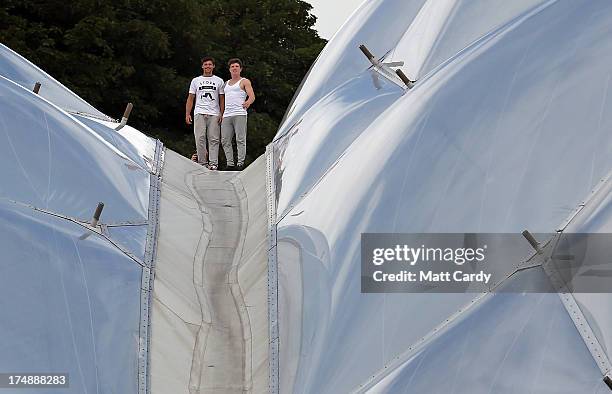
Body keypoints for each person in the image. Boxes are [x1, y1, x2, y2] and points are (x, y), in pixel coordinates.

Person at [185, 57, 225, 170]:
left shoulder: (219, 81)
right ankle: (202, 163)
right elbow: (190, 98)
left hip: (214, 113)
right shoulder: (196, 80)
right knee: (200, 137)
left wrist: (221, 113)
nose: (207, 66)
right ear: (202, 66)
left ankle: (213, 164)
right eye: (205, 64)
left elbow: (222, 98)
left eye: (210, 64)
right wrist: (188, 113)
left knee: (214, 138)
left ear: (213, 66)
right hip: (199, 112)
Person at [220, 58, 255, 170]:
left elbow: (252, 96)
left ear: (240, 69)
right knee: (225, 140)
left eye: (236, 66)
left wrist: (248, 102)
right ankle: (230, 163)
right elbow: (222, 100)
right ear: (229, 69)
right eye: (232, 67)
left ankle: (240, 163)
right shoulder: (226, 84)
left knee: (240, 139)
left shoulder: (244, 81)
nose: (234, 68)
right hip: (227, 115)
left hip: (239, 113)